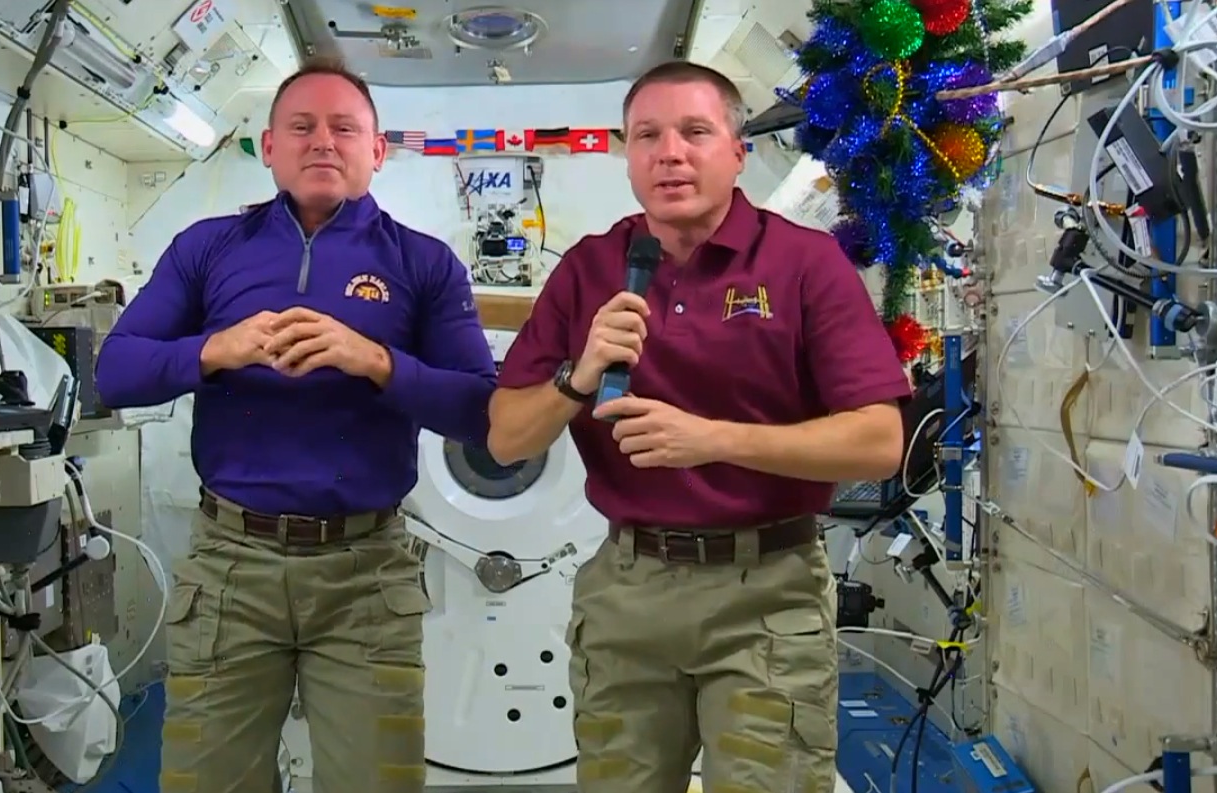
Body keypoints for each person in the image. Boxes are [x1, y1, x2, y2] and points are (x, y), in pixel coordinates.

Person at [486, 61, 911, 792]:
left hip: (766, 594)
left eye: (694, 131)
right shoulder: (589, 270)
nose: (669, 153)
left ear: (738, 150)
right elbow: (505, 440)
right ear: (627, 153)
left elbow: (878, 441)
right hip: (628, 591)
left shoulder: (804, 264)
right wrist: (578, 374)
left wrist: (714, 438)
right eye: (647, 135)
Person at [95, 57, 496, 793]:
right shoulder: (208, 247)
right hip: (230, 567)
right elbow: (114, 371)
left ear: (377, 150)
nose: (323, 142)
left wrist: (376, 360)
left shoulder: (425, 263)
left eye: (345, 128)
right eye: (302, 127)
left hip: (365, 573)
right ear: (269, 146)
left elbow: (481, 414)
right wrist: (218, 349)